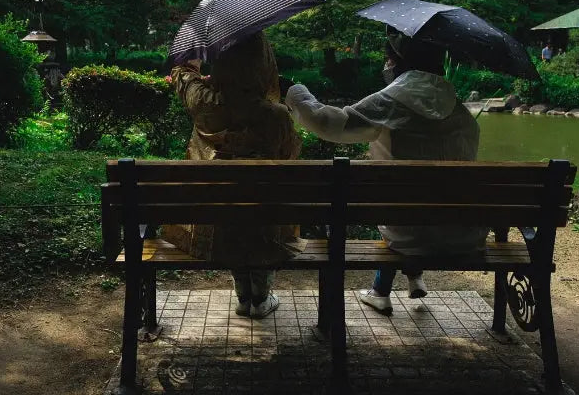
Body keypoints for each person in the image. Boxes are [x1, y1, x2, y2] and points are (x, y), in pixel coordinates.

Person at [284, 28, 484, 315]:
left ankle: (382, 290)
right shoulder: (462, 114)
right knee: (413, 208)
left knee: (403, 215)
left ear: (398, 60)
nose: (385, 65)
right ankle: (405, 279)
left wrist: (294, 90)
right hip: (462, 234)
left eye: (387, 58)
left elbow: (329, 123)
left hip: (407, 233)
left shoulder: (391, 102)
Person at [168, 31, 302, 318]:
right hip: (265, 220)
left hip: (217, 222)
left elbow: (182, 77)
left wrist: (193, 62)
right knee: (263, 213)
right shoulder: (276, 116)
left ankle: (243, 297)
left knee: (229, 214)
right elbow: (290, 160)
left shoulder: (204, 103)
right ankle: (260, 299)